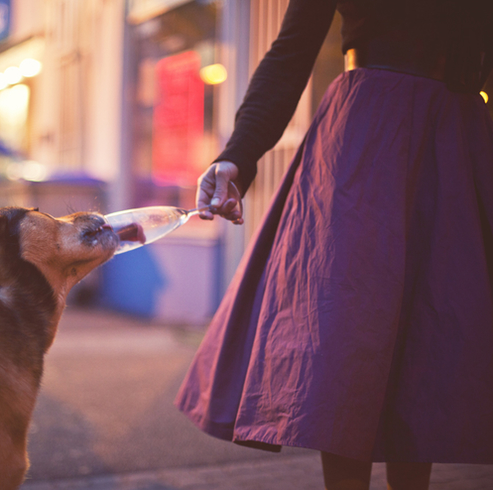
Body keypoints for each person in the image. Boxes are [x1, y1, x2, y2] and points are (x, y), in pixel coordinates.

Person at [174, 1, 493, 489]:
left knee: (436, 324)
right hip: (368, 132)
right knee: (346, 327)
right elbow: (293, 50)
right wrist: (239, 154)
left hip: (458, 129)